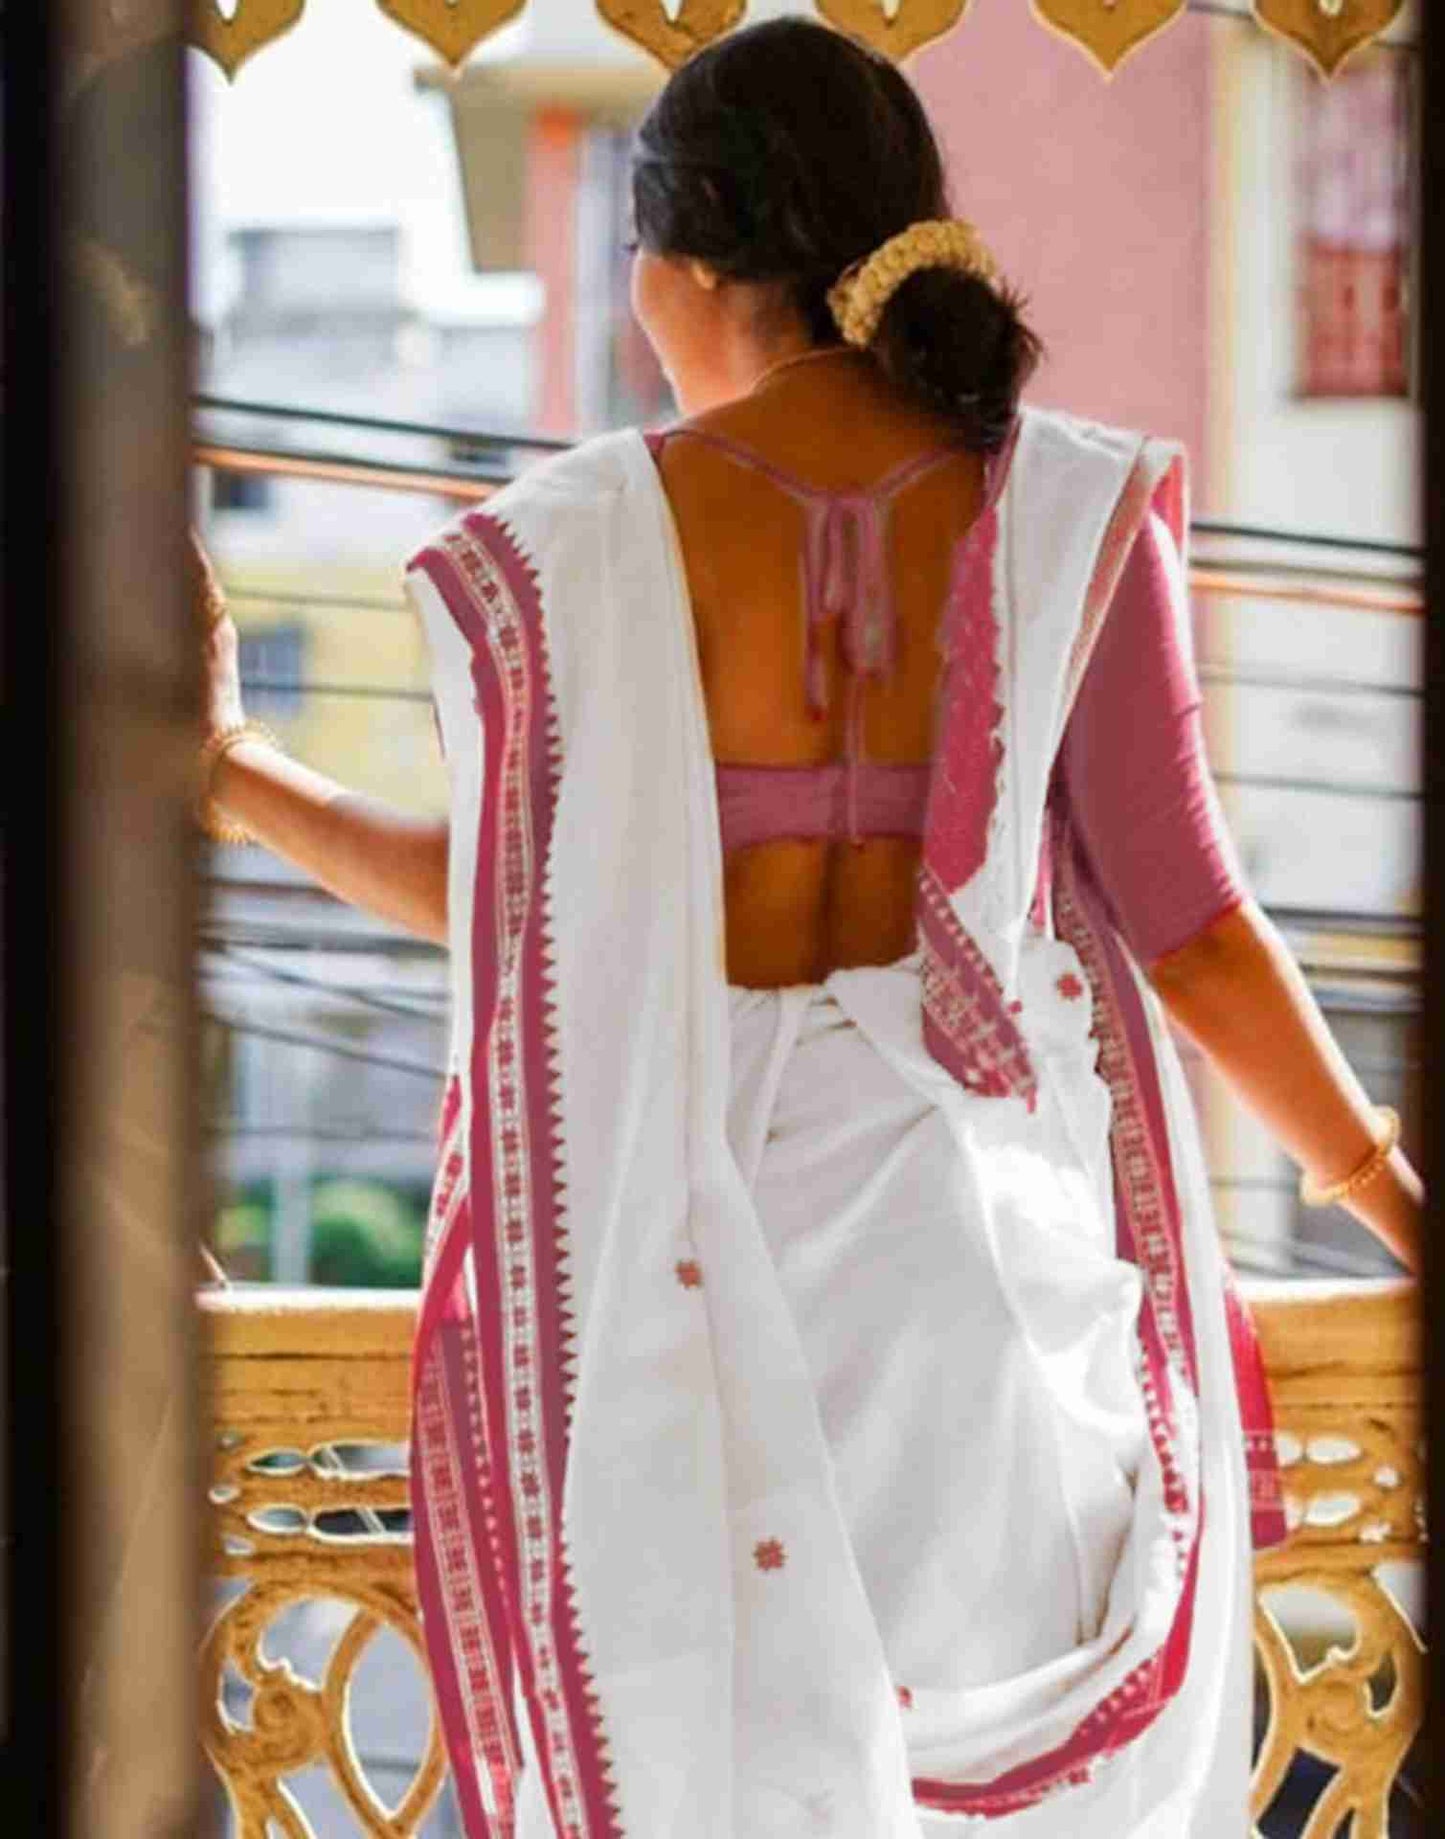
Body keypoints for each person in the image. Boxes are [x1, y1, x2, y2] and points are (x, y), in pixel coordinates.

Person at [195, 19, 1421, 1835]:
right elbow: (1194, 932)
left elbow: (507, 908)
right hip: (974, 1329)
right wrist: (1397, 1201)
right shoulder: (1066, 506)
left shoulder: (587, 542)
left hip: (679, 1322)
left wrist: (226, 772)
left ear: (675, 271)